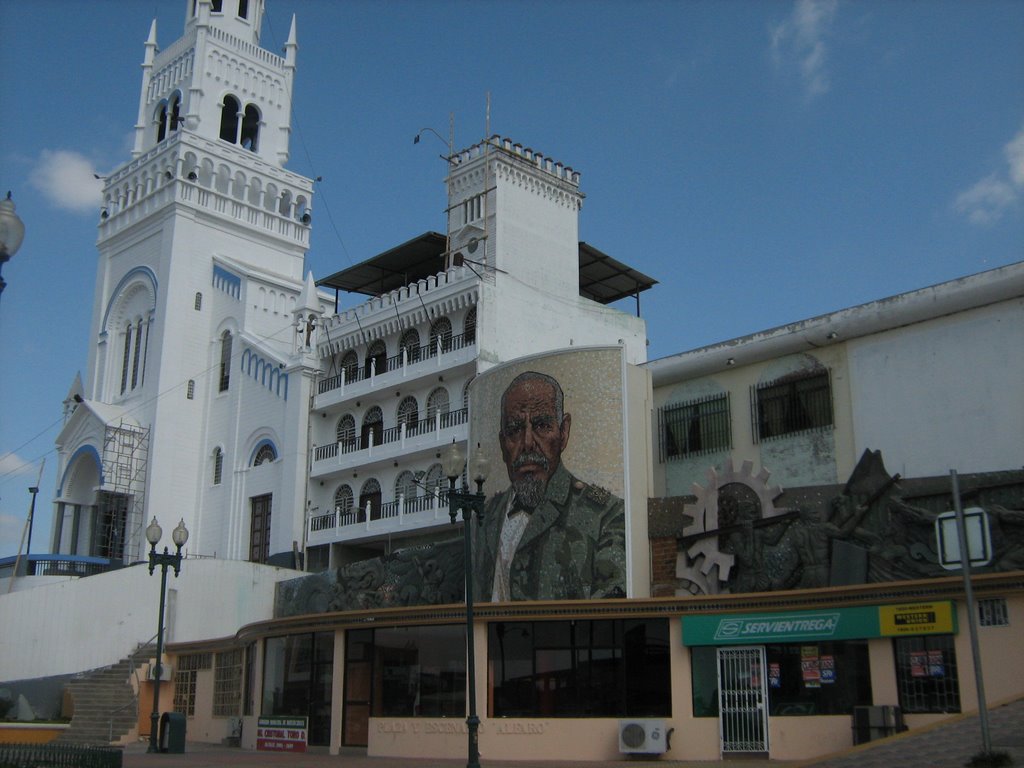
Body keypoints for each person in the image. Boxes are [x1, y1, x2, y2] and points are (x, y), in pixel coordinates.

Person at [474, 371, 626, 601]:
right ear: (502, 443)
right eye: (514, 429)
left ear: (563, 433)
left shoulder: (605, 516)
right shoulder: (484, 520)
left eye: (542, 426)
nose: (527, 443)